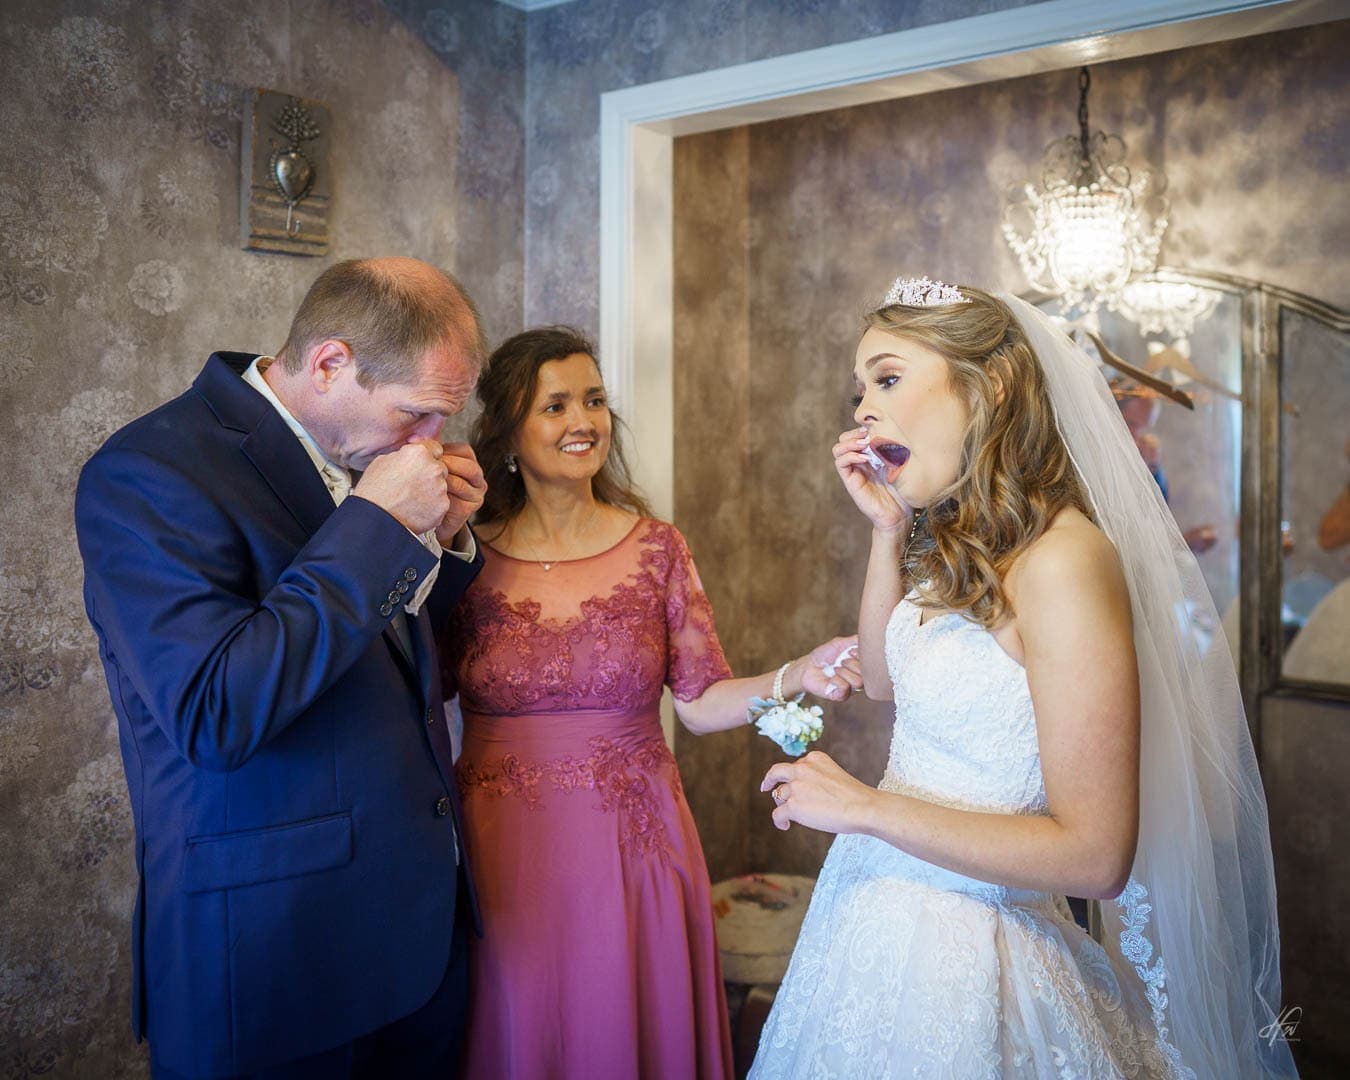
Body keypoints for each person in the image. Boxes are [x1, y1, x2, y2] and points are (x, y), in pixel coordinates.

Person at [750, 280, 1296, 1077]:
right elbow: (885, 682)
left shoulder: (1065, 560)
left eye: (888, 378)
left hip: (980, 952)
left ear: (993, 384)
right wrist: (887, 532)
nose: (862, 409)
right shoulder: (964, 542)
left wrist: (866, 809)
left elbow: (1095, 857)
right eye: (859, 389)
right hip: (872, 920)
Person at [75, 258, 489, 1079]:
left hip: (416, 936)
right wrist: (377, 526)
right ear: (329, 363)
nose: (430, 441)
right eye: (416, 412)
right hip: (273, 955)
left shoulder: (368, 451)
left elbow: (385, 665)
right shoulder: (150, 472)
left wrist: (436, 546)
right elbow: (215, 711)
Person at [438, 326, 863, 1079]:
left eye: (594, 400)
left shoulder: (657, 549)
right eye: (555, 406)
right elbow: (421, 687)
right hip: (501, 849)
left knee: (621, 1025)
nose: (583, 421)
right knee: (519, 1029)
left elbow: (699, 701)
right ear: (507, 432)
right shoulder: (463, 554)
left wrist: (798, 670)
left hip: (632, 843)